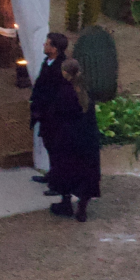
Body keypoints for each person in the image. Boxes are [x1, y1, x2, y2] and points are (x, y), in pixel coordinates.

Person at [46, 58, 101, 222]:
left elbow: (56, 114)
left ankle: (66, 203)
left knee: (65, 170)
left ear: (65, 73)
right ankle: (82, 209)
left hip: (68, 138)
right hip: (87, 139)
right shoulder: (86, 90)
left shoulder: (65, 91)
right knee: (86, 173)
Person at [29, 32, 69, 185]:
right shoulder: (47, 62)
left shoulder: (61, 66)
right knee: (49, 144)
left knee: (57, 148)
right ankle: (52, 174)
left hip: (55, 114)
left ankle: (59, 180)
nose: (44, 45)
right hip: (44, 113)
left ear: (54, 48)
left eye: (47, 43)